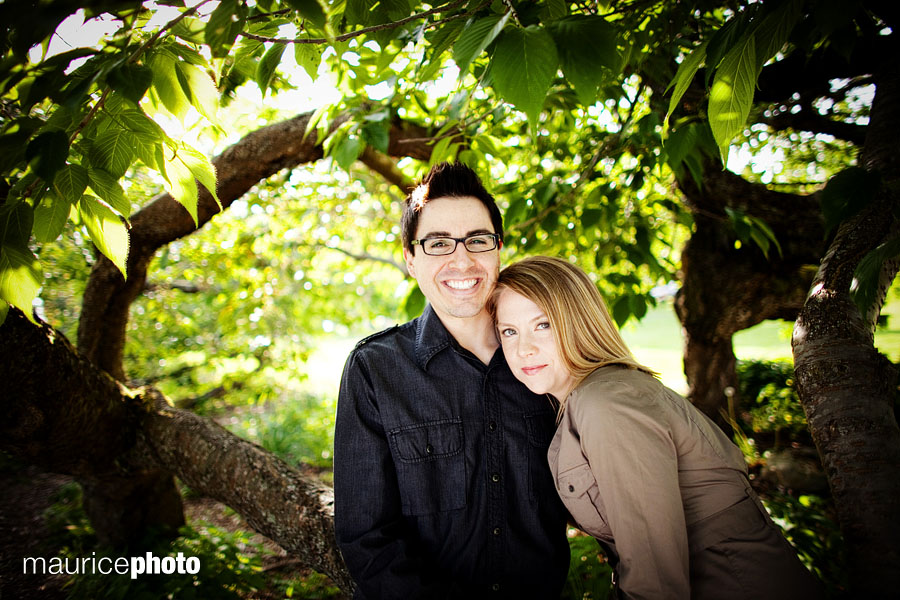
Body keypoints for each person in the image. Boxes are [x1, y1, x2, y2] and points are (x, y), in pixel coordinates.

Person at [489, 255, 823, 600]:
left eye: (543, 325)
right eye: (509, 332)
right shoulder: (583, 400)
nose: (524, 349)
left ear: (578, 321)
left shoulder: (607, 404)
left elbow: (657, 584)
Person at [333, 164, 570, 599]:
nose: (462, 260)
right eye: (439, 243)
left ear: (499, 248)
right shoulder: (375, 370)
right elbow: (366, 537)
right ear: (410, 258)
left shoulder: (548, 358)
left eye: (477, 240)